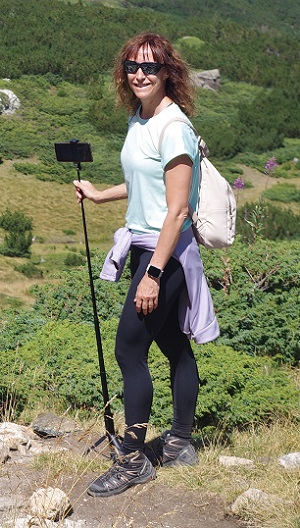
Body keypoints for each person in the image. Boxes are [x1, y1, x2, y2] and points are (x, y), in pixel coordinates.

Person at [73, 32, 219, 498]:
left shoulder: (172, 127)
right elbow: (145, 183)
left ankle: (134, 460)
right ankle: (179, 442)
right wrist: (100, 195)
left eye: (150, 68)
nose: (140, 74)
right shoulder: (141, 118)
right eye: (132, 67)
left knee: (128, 350)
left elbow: (176, 210)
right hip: (148, 246)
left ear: (167, 74)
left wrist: (153, 274)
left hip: (166, 253)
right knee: (175, 346)